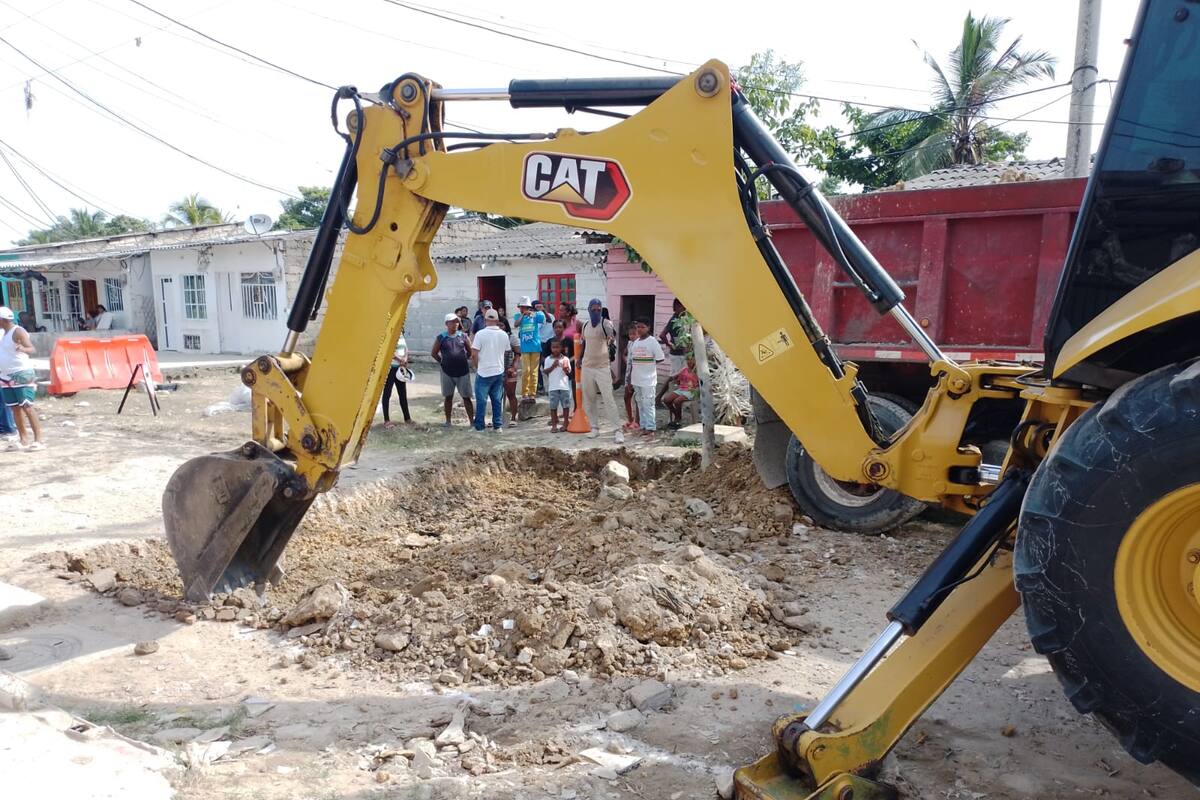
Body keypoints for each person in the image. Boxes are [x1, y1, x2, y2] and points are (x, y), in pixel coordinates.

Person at [577, 298, 623, 444]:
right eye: (593, 309)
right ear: (589, 309)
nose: (596, 312)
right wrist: (579, 358)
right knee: (589, 399)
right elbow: (584, 342)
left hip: (602, 367)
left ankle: (617, 430)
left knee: (608, 399)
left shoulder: (606, 324)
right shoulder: (585, 325)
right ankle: (594, 427)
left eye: (598, 309)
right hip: (587, 366)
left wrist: (610, 343)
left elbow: (612, 338)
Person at [0, 306, 43, 450]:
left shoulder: (17, 331)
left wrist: (23, 349)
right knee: (15, 408)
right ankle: (23, 439)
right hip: (5, 376)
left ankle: (38, 440)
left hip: (21, 374)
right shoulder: (3, 333)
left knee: (27, 407)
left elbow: (32, 349)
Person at [432, 312, 474, 427]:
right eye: (452, 322)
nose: (455, 324)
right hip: (447, 372)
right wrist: (442, 362)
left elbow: (470, 352)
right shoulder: (441, 337)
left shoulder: (463, 336)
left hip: (463, 372)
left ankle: (471, 421)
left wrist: (462, 360)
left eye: (456, 322)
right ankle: (448, 421)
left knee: (466, 397)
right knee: (448, 397)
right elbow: (434, 353)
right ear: (447, 323)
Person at [470, 309, 508, 432]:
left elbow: (474, 354)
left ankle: (480, 426)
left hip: (483, 371)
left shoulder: (480, 334)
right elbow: (507, 352)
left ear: (485, 320)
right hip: (498, 370)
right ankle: (497, 425)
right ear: (497, 320)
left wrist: (477, 367)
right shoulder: (503, 334)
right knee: (497, 400)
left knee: (481, 401)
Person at [629, 316, 666, 435]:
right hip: (636, 379)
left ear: (648, 328)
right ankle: (643, 426)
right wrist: (629, 379)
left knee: (648, 403)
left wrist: (648, 364)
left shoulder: (652, 342)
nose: (639, 329)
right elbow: (632, 362)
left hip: (648, 380)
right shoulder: (635, 343)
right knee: (640, 403)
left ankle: (651, 428)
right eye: (638, 327)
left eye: (642, 327)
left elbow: (660, 358)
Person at [658, 298, 689, 405]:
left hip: (682, 352)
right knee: (673, 377)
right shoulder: (675, 319)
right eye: (683, 307)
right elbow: (662, 335)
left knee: (681, 376)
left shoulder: (681, 318)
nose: (685, 309)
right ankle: (659, 398)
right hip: (677, 353)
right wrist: (670, 345)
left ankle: (676, 398)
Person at [512, 297, 544, 400]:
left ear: (529, 307)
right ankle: (525, 393)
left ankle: (532, 393)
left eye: (525, 307)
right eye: (521, 307)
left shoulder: (535, 315)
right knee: (526, 370)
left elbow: (543, 318)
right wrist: (523, 315)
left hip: (535, 346)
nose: (523, 309)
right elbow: (516, 324)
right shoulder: (518, 316)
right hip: (525, 348)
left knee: (534, 372)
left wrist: (536, 311)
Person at [381, 331, 412, 428]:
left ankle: (407, 418)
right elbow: (389, 349)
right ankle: (386, 420)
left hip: (400, 368)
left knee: (403, 393)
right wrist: (400, 359)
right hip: (390, 368)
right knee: (387, 393)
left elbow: (406, 349)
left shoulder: (401, 334)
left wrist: (405, 358)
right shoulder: (389, 333)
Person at [542, 337, 572, 432]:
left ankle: (566, 423)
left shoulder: (565, 359)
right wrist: (553, 366)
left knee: (566, 406)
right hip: (553, 387)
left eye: (557, 347)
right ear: (551, 348)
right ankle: (554, 425)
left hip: (564, 386)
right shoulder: (548, 359)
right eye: (553, 347)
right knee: (553, 407)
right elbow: (545, 371)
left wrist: (565, 369)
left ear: (561, 348)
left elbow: (569, 372)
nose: (555, 349)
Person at [662, 353, 699, 429]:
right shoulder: (684, 370)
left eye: (691, 360)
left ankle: (678, 418)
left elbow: (701, 383)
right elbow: (677, 379)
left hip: (692, 390)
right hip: (681, 389)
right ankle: (677, 415)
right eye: (688, 360)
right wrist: (675, 379)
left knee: (677, 401)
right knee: (666, 400)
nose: (689, 362)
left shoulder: (698, 371)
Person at [621, 321, 640, 431]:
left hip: (636, 376)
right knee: (626, 397)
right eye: (630, 334)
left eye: (634, 334)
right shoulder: (629, 343)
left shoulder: (639, 344)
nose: (632, 336)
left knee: (637, 399)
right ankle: (630, 419)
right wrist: (626, 361)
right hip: (628, 375)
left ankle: (637, 421)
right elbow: (624, 353)